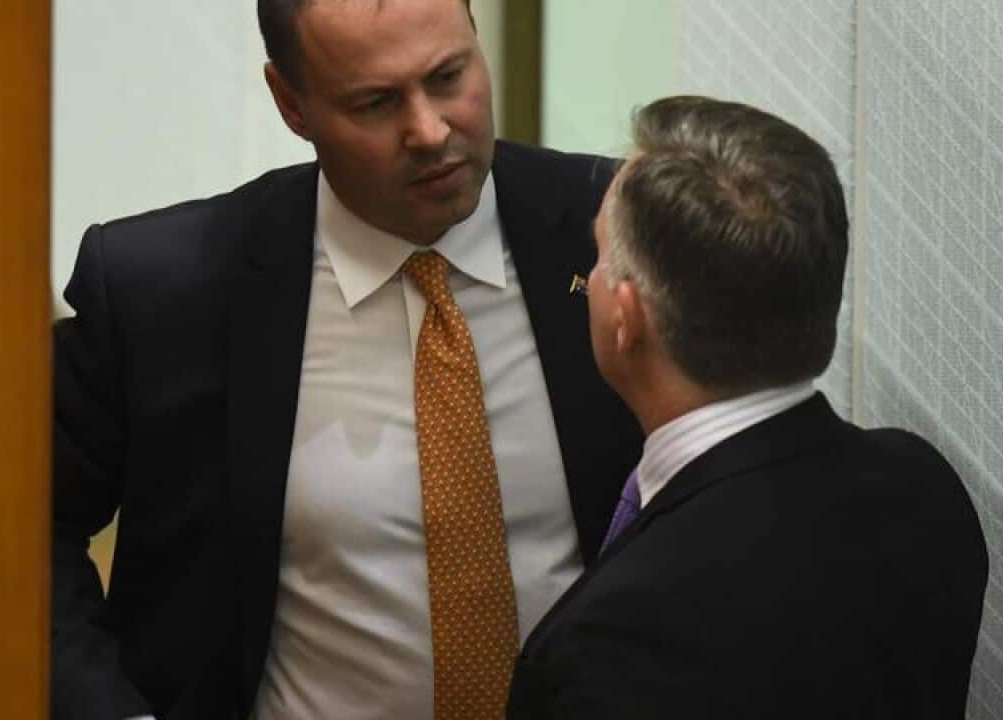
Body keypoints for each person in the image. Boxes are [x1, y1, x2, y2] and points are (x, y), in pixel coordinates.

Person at [50, 1, 641, 718]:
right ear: (291, 104)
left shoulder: (620, 233)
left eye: (448, 76)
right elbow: (20, 528)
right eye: (377, 102)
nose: (429, 131)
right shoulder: (167, 292)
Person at [506, 96, 990, 719]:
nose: (589, 277)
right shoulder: (924, 491)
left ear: (625, 318)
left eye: (599, 256)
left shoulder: (608, 647)